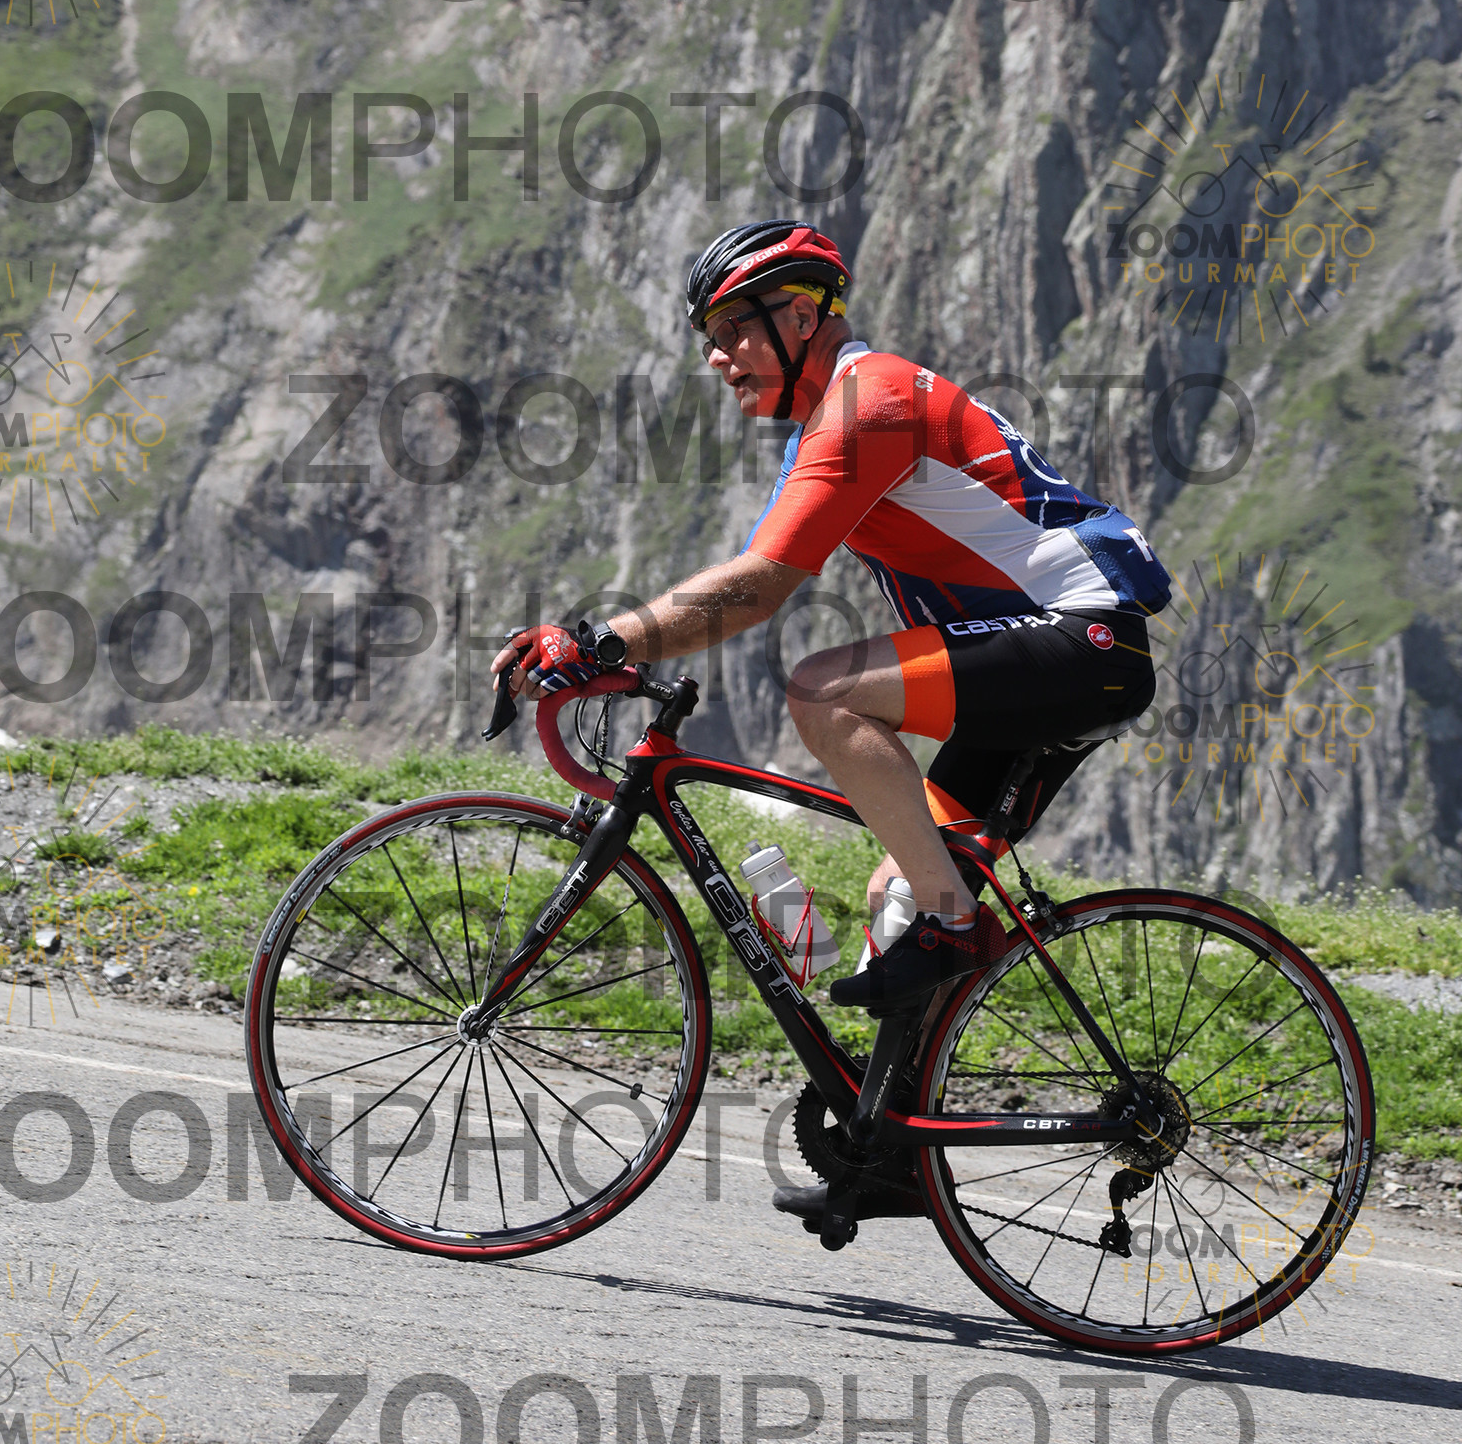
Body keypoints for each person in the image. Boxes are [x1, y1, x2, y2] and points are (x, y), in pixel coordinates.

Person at [491, 219, 1167, 1221]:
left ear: (802, 316)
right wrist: (621, 646)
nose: (717, 357)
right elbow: (751, 573)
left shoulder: (867, 404)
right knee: (900, 889)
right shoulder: (832, 418)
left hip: (1084, 638)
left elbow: (760, 586)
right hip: (1063, 650)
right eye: (708, 338)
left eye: (733, 330)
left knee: (824, 691)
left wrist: (600, 642)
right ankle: (894, 1155)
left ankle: (954, 926)